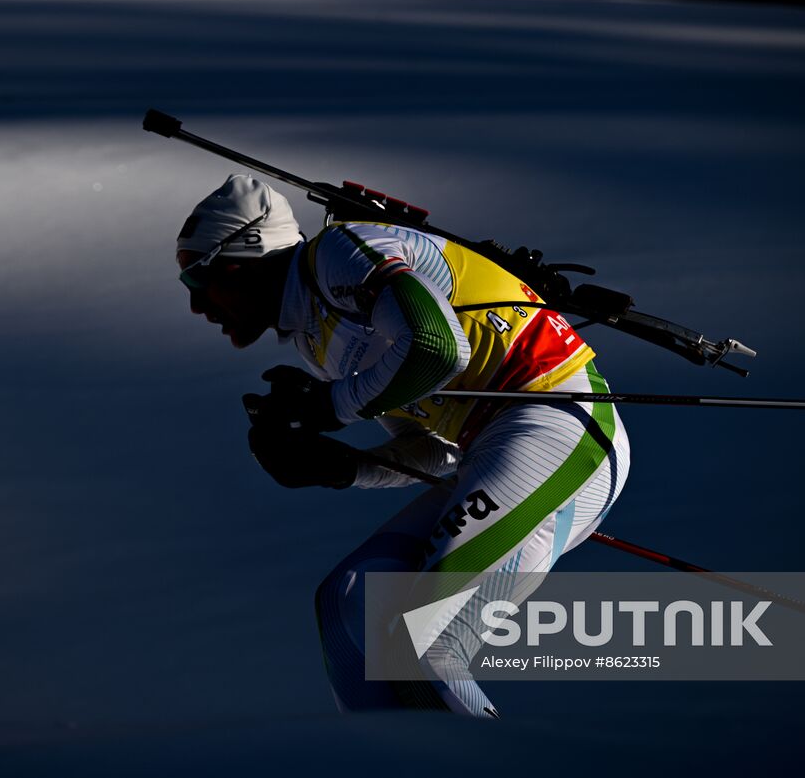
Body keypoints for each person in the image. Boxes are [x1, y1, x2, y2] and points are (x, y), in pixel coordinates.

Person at [177, 173, 631, 718]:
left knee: (429, 645)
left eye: (198, 283)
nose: (197, 307)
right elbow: (434, 453)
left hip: (556, 423)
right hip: (491, 447)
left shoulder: (339, 253)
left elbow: (438, 348)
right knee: (347, 609)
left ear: (243, 259)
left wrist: (330, 407)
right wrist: (346, 468)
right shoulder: (314, 335)